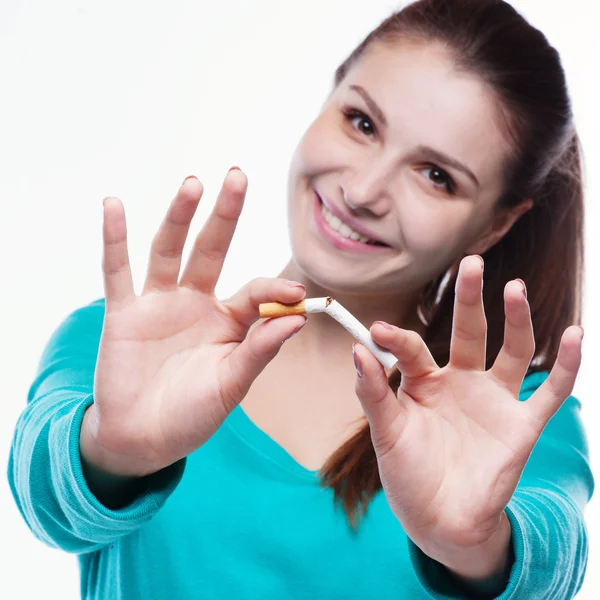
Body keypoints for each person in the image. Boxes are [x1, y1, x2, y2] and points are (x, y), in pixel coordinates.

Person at [7, 0, 593, 598]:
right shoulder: (128, 351)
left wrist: (478, 543)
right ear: (328, 98)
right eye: (362, 123)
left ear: (494, 226)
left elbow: (553, 560)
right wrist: (110, 449)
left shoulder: (514, 415)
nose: (363, 190)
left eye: (436, 176)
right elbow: (43, 501)